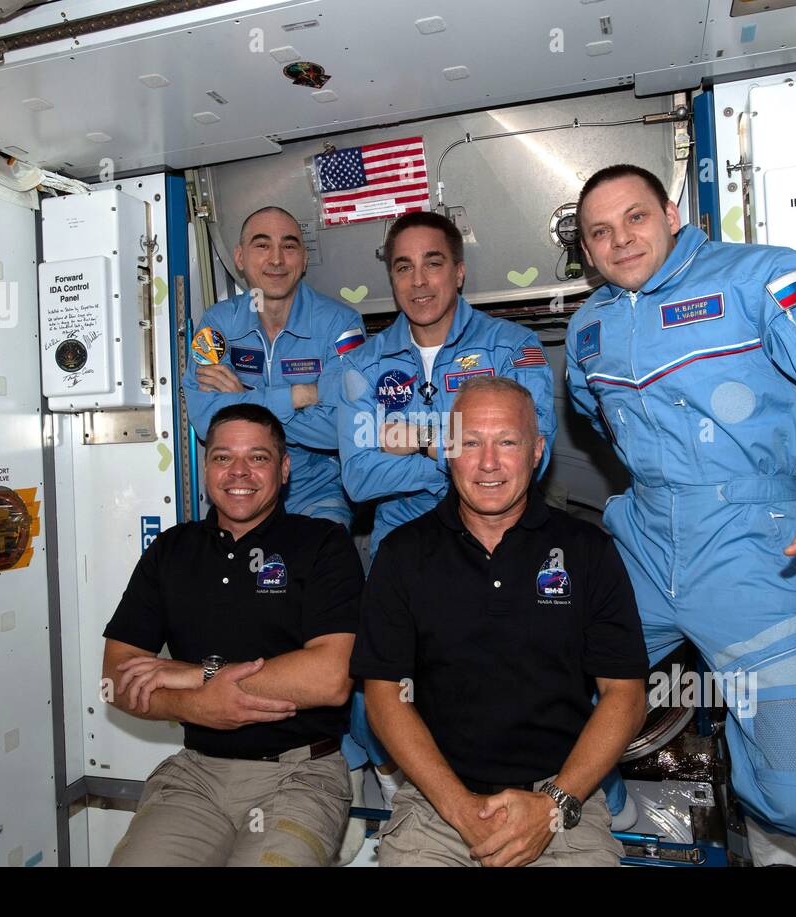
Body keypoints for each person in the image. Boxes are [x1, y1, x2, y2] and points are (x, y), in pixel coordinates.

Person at [564, 163, 796, 865]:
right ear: (587, 250)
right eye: (599, 232)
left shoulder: (765, 277)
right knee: (530, 679)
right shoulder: (587, 327)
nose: (620, 240)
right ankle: (600, 794)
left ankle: (730, 771)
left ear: (670, 212)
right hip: (643, 547)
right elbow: (593, 417)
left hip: (751, 551)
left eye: (634, 217)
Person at [351, 376, 648, 866]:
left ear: (537, 452)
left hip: (562, 802)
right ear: (448, 451)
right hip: (437, 804)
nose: (488, 463)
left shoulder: (588, 551)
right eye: (471, 442)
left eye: (506, 442)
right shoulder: (403, 554)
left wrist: (553, 803)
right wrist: (460, 809)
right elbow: (383, 698)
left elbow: (625, 695)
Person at [334, 209, 559, 807]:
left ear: (458, 271)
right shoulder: (361, 365)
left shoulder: (514, 348)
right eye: (403, 266)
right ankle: (396, 794)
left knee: (501, 684)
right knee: (378, 696)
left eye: (434, 262)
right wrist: (455, 446)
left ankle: (536, 804)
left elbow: (529, 454)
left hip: (494, 545)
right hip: (400, 550)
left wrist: (416, 436)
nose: (419, 280)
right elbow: (358, 476)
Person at [103, 404, 363, 866]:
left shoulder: (324, 545)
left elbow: (330, 677)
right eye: (223, 457)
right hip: (196, 774)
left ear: (283, 470)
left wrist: (198, 674)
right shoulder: (171, 550)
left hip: (300, 773)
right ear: (206, 468)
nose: (238, 472)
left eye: (258, 458)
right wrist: (195, 704)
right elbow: (116, 679)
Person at [183, 206, 367, 526]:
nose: (277, 259)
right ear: (240, 258)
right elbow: (206, 420)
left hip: (317, 494)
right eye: (262, 245)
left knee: (324, 565)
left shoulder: (341, 323)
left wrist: (244, 399)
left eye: (289, 245)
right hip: (241, 491)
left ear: (304, 259)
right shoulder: (218, 323)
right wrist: (299, 395)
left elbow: (344, 427)